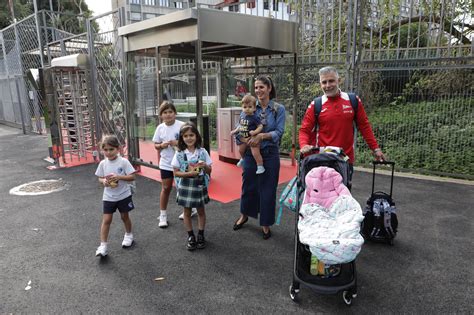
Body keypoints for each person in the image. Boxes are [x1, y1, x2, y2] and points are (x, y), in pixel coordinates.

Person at [299, 66, 386, 182]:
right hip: (322, 159)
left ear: (339, 81)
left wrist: (375, 148)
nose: (328, 85)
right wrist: (304, 145)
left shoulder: (353, 100)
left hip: (345, 160)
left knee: (343, 197)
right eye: (324, 82)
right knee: (321, 197)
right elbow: (304, 130)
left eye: (331, 81)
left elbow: (364, 126)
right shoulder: (316, 104)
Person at [233, 75, 285, 240]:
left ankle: (265, 223)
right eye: (256, 87)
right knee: (248, 185)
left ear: (269, 88)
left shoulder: (278, 109)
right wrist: (240, 138)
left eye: (261, 87)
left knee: (268, 189)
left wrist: (262, 136)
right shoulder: (250, 106)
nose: (258, 90)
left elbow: (279, 132)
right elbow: (241, 125)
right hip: (250, 153)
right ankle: (245, 214)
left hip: (269, 153)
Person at [152, 102, 197, 228]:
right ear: (161, 115)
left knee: (182, 188)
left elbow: (190, 141)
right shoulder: (160, 128)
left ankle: (189, 209)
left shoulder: (182, 126)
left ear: (175, 113)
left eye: (170, 112)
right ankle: (163, 215)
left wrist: (177, 142)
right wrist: (161, 145)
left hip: (182, 163)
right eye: (165, 112)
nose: (168, 115)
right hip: (166, 163)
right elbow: (156, 145)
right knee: (166, 188)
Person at [172, 122, 213, 250]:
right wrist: (188, 173)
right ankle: (190, 235)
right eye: (186, 136)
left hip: (199, 185)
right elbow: (176, 173)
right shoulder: (179, 154)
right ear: (182, 138)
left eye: (192, 135)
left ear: (197, 136)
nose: (189, 138)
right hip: (185, 185)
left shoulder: (202, 152)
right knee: (187, 212)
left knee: (201, 210)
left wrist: (205, 166)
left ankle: (201, 234)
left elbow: (209, 171)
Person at [95, 135, 137, 257]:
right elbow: (100, 177)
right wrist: (103, 182)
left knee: (124, 217)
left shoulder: (123, 162)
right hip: (108, 196)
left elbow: (132, 176)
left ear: (118, 149)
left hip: (123, 195)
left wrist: (119, 177)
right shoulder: (103, 163)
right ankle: (103, 245)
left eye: (111, 149)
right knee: (107, 220)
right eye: (105, 150)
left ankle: (129, 235)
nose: (108, 152)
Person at [230, 94, 265, 174]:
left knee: (255, 152)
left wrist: (255, 132)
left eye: (250, 107)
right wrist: (235, 131)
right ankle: (242, 159)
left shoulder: (255, 117)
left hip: (252, 138)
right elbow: (240, 125)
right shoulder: (242, 115)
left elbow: (260, 126)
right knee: (241, 150)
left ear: (254, 108)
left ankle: (260, 166)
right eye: (245, 107)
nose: (247, 109)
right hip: (243, 137)